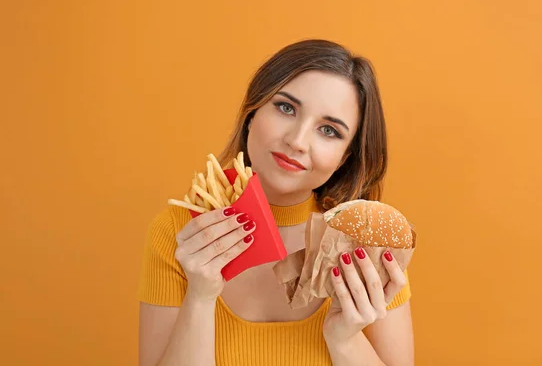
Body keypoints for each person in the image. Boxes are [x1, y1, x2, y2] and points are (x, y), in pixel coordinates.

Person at [137, 39, 415, 366]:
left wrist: (345, 339)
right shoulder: (180, 233)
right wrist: (200, 296)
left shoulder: (366, 244)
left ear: (344, 158)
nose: (297, 141)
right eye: (286, 108)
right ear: (251, 113)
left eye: (329, 130)